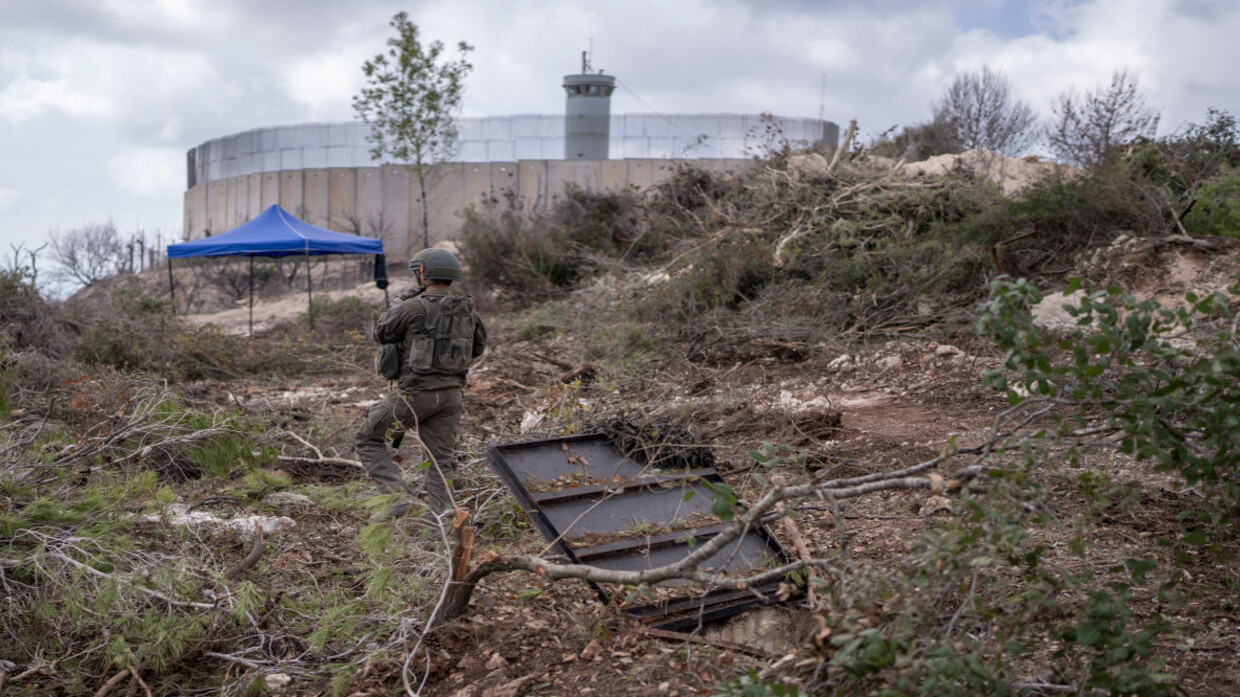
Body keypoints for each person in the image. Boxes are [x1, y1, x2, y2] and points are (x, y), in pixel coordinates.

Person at [353, 248, 487, 521]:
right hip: (451, 397)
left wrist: (403, 304)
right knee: (441, 462)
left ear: (423, 273)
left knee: (367, 438)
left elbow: (381, 333)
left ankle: (397, 498)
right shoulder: (468, 307)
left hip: (414, 396)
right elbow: (478, 347)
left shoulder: (412, 307)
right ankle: (439, 527)